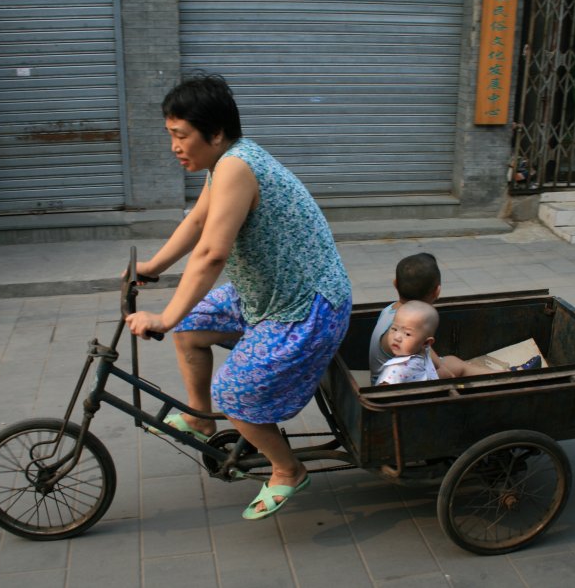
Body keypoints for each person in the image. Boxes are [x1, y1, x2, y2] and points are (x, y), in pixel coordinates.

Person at [125, 74, 352, 520]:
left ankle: (287, 469)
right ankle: (198, 417)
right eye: (171, 135)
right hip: (265, 299)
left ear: (214, 133)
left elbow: (210, 254)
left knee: (234, 392)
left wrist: (165, 316)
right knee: (192, 328)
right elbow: (196, 224)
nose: (174, 146)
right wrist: (151, 267)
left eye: (180, 135)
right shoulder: (224, 163)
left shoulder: (237, 166)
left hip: (307, 309)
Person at [368, 253, 494, 385]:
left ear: (395, 283)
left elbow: (423, 346)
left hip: (408, 372)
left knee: (450, 361)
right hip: (395, 384)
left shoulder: (392, 310)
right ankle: (504, 377)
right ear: (437, 291)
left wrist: (440, 365)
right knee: (459, 366)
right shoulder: (404, 331)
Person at [375, 300, 444, 385]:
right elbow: (382, 394)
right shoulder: (395, 370)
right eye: (394, 329)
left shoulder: (424, 352)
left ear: (426, 343)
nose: (397, 337)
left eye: (407, 334)